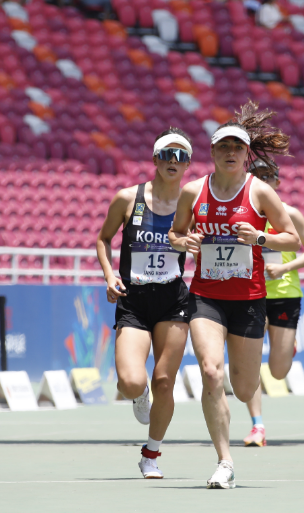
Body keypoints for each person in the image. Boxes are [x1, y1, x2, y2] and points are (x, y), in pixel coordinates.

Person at [169, 102, 300, 489]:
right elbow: (175, 233)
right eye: (223, 146)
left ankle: (250, 386)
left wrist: (259, 238)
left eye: (237, 147)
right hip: (205, 297)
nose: (230, 152)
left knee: (244, 389)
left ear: (246, 154)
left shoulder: (259, 192)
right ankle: (224, 461)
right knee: (211, 372)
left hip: (249, 299)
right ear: (212, 152)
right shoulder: (192, 191)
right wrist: (185, 241)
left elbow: (292, 238)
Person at [96, 128, 195, 480]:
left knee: (164, 382)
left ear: (188, 164)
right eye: (167, 154)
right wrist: (110, 275)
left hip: (173, 301)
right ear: (155, 159)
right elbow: (104, 239)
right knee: (131, 382)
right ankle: (139, 395)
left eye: (181, 156)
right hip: (134, 301)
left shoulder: (193, 204)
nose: (173, 161)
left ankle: (150, 455)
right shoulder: (127, 198)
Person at [241, 159, 304, 447]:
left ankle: (289, 346)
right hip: (251, 295)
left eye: (268, 176)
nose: (263, 181)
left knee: (277, 371)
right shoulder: (241, 215)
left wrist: (284, 268)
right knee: (250, 364)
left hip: (285, 295)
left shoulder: (290, 214)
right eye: (257, 176)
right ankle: (257, 425)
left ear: (277, 182)